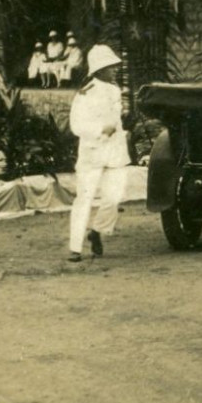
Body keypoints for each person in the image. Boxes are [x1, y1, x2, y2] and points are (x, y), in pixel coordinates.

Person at [67, 45, 131, 263]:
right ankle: (75, 248)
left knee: (114, 197)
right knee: (84, 197)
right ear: (99, 69)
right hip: (92, 152)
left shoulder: (115, 91)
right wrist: (100, 130)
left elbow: (118, 121)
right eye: (110, 67)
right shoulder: (85, 93)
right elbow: (76, 125)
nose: (114, 70)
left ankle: (97, 230)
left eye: (115, 67)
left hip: (114, 152)